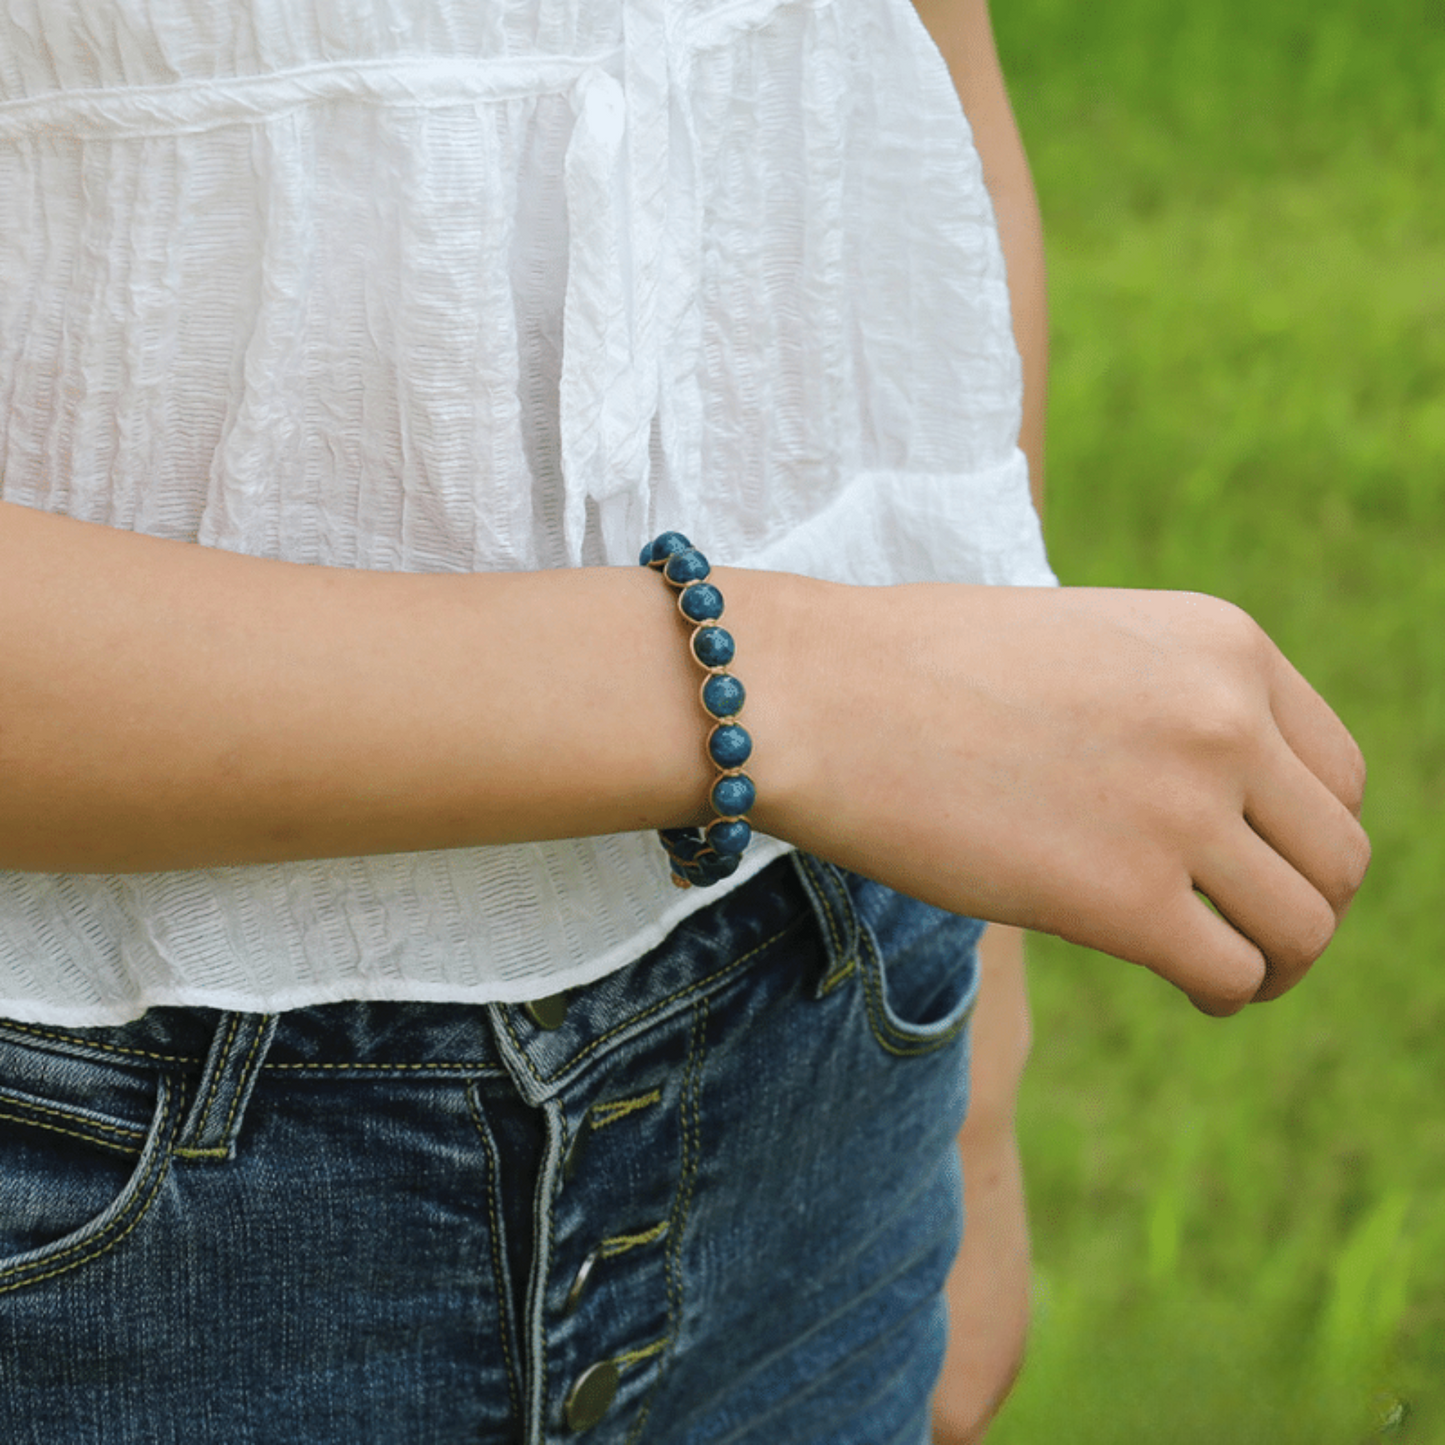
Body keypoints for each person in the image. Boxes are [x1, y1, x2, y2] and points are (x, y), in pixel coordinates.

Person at [0, 1, 1366, 1441]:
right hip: (109, 1177)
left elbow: (916, 76)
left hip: (830, 1029)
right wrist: (800, 686)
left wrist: (975, 1062)